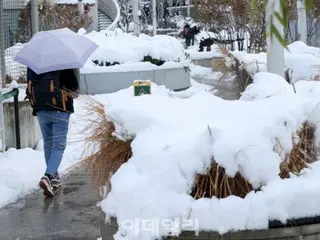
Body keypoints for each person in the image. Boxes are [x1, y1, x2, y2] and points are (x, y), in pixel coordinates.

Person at [26, 68, 79, 197]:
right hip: (60, 109)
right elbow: (74, 89)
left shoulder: (34, 65)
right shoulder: (63, 64)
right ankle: (48, 176)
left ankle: (54, 177)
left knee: (48, 144)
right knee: (59, 146)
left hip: (40, 110)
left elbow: (30, 86)